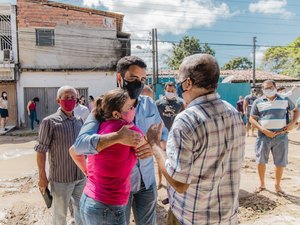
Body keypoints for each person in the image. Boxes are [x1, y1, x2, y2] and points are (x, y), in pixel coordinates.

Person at [146, 54, 246, 225]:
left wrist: (155, 146)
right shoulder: (232, 112)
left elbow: (179, 182)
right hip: (227, 216)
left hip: (191, 217)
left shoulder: (187, 120)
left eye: (179, 80)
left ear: (188, 83)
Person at [73, 56, 168, 225]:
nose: (139, 83)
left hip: (147, 181)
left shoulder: (149, 104)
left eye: (143, 79)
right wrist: (116, 138)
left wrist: (152, 147)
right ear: (119, 78)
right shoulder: (106, 106)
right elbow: (80, 145)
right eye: (133, 78)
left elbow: (163, 135)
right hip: (117, 188)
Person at [70, 89, 148, 225]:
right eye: (130, 107)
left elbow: (73, 151)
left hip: (88, 199)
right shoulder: (128, 129)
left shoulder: (99, 126)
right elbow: (147, 145)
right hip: (108, 206)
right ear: (117, 114)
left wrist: (88, 173)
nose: (133, 109)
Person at [34, 86, 86, 225]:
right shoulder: (49, 122)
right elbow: (41, 150)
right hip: (61, 179)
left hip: (81, 177)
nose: (70, 100)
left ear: (77, 101)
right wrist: (42, 176)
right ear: (58, 101)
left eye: (73, 98)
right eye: (66, 97)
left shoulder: (79, 120)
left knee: (81, 211)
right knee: (60, 215)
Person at [250, 80, 299, 196]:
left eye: (271, 87)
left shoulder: (284, 99)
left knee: (280, 162)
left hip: (281, 136)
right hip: (263, 136)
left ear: (275, 87)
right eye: (266, 88)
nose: (269, 90)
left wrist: (292, 124)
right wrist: (263, 130)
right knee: (260, 160)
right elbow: (252, 118)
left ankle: (277, 186)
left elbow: (296, 111)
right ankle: (262, 184)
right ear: (262, 89)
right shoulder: (258, 101)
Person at [156, 81, 184, 189]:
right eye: (168, 91)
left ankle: (173, 181)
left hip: (175, 133)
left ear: (175, 91)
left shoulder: (180, 103)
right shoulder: (158, 103)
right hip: (163, 132)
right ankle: (160, 181)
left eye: (172, 91)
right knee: (162, 157)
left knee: (174, 158)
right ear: (165, 91)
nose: (170, 92)